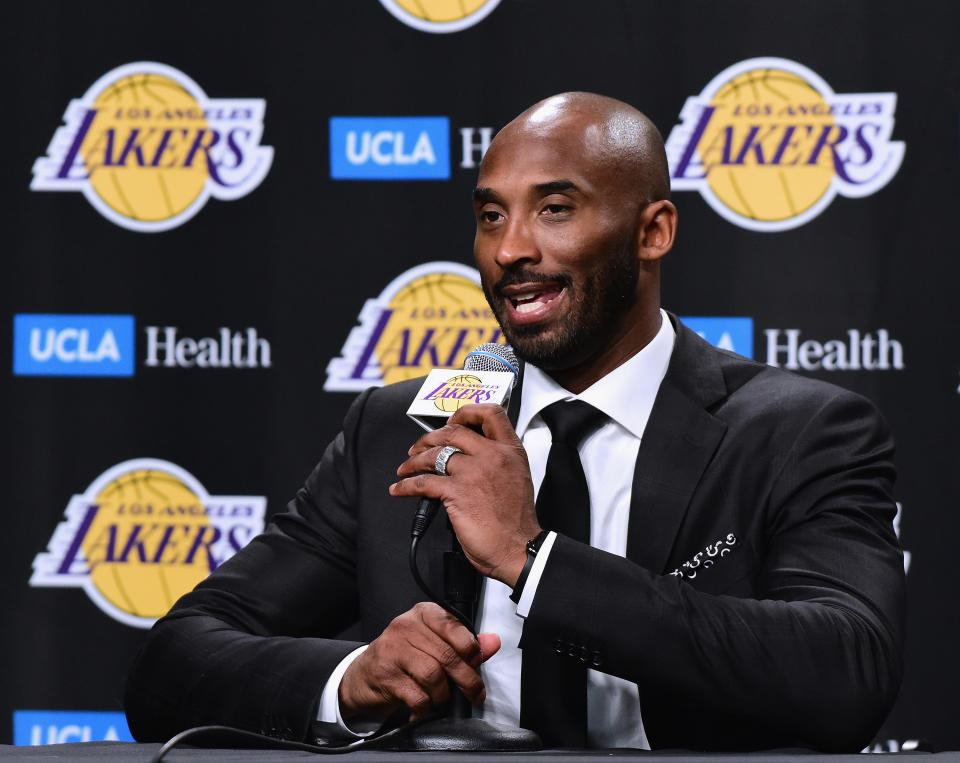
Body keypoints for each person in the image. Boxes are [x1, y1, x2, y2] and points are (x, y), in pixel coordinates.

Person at [124, 92, 905, 752]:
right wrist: (351, 678)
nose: (510, 249)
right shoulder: (397, 426)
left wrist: (535, 559)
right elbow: (174, 661)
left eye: (555, 209)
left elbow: (845, 671)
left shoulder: (801, 430)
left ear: (653, 231)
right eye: (490, 215)